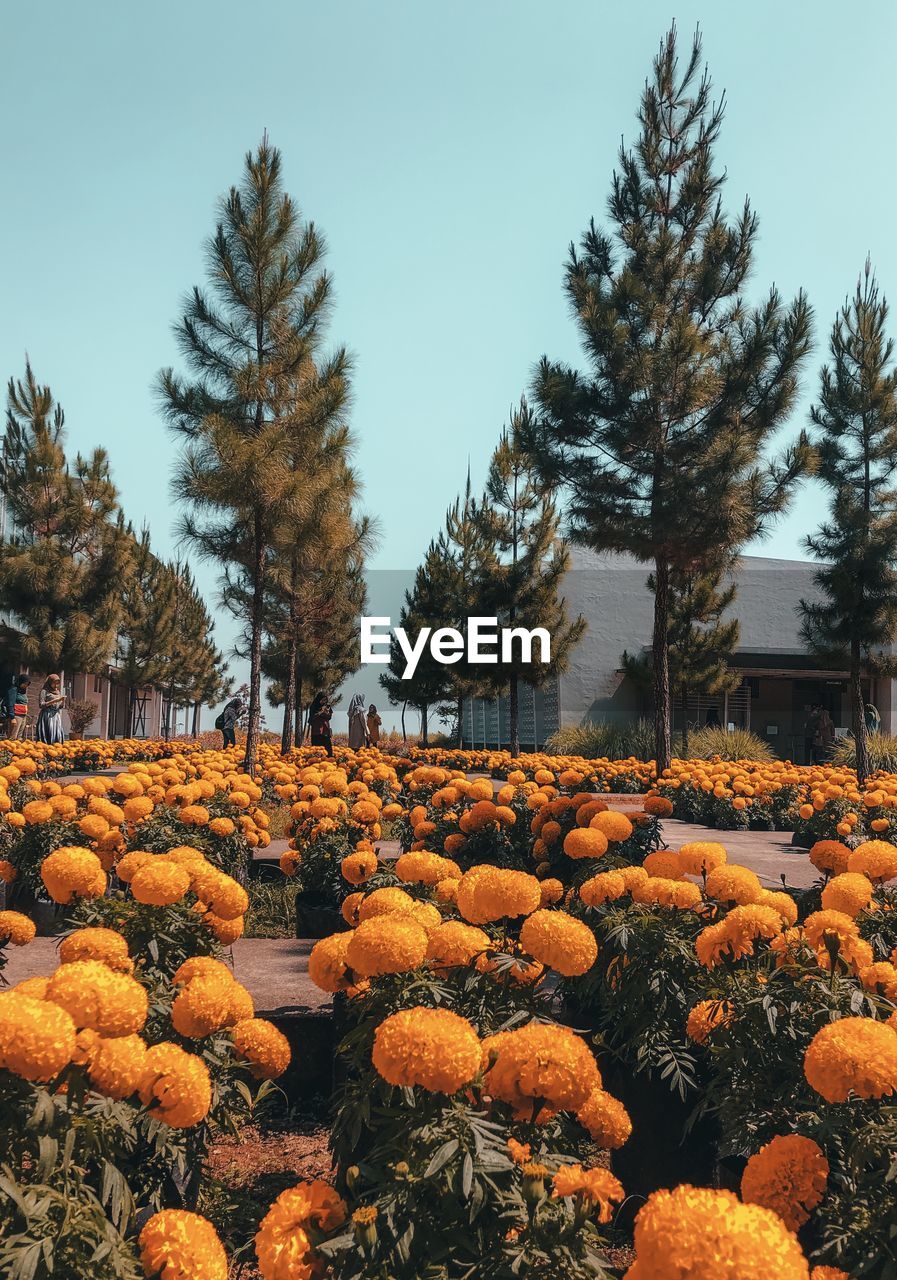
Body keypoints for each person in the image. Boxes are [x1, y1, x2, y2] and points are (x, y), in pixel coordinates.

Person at [36, 674, 66, 744]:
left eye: (57, 684)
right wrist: (55, 701)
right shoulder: (44, 691)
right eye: (54, 683)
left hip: (56, 716)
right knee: (48, 733)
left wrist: (63, 701)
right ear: (50, 682)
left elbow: (60, 707)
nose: (56, 686)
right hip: (47, 715)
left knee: (56, 734)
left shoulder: (57, 692)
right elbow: (41, 704)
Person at [4, 675, 31, 740]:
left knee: (19, 737)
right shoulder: (13, 690)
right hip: (16, 716)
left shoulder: (22, 691)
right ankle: (8, 749)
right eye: (24, 684)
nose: (26, 686)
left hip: (23, 715)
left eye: (27, 684)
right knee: (13, 736)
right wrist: (12, 717)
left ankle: (17, 749)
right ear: (20, 682)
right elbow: (10, 704)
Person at [309, 692, 333, 756]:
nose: (323, 701)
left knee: (328, 750)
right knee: (317, 750)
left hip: (325, 731)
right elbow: (311, 718)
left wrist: (326, 712)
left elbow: (329, 717)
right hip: (317, 732)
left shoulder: (326, 706)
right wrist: (321, 712)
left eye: (325, 700)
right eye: (322, 700)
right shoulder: (314, 706)